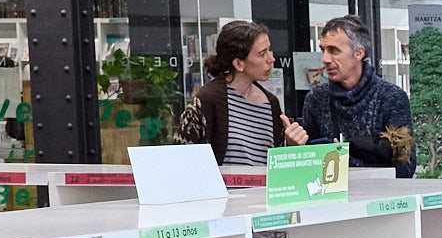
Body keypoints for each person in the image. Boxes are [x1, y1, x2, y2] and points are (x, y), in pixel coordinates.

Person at [175, 19, 311, 168]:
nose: (271, 59)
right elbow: (182, 160)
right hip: (224, 191)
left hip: (262, 190)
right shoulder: (207, 101)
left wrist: (292, 147)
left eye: (269, 50)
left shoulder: (271, 103)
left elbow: (278, 168)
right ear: (239, 64)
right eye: (262, 54)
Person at [297, 14, 413, 176]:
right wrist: (295, 145)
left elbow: (405, 168)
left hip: (378, 198)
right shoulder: (316, 99)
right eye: (323, 50)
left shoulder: (391, 97)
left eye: (334, 51)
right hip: (330, 198)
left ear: (358, 53)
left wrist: (347, 160)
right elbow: (308, 169)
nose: (325, 59)